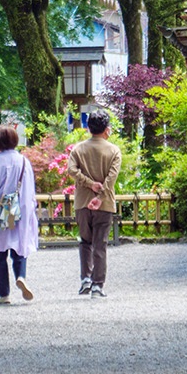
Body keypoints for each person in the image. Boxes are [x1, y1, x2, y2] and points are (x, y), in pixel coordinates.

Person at [0, 123, 38, 305]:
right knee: (20, 245)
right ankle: (21, 276)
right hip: (18, 210)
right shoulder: (24, 162)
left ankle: (4, 294)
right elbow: (29, 190)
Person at [67, 110, 122, 298]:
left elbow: (71, 170)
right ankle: (98, 285)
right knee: (100, 244)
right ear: (106, 128)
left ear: (88, 127)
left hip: (82, 201)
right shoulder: (113, 150)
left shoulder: (78, 149)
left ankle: (85, 280)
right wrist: (100, 195)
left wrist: (88, 184)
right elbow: (112, 177)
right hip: (104, 204)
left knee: (85, 241)